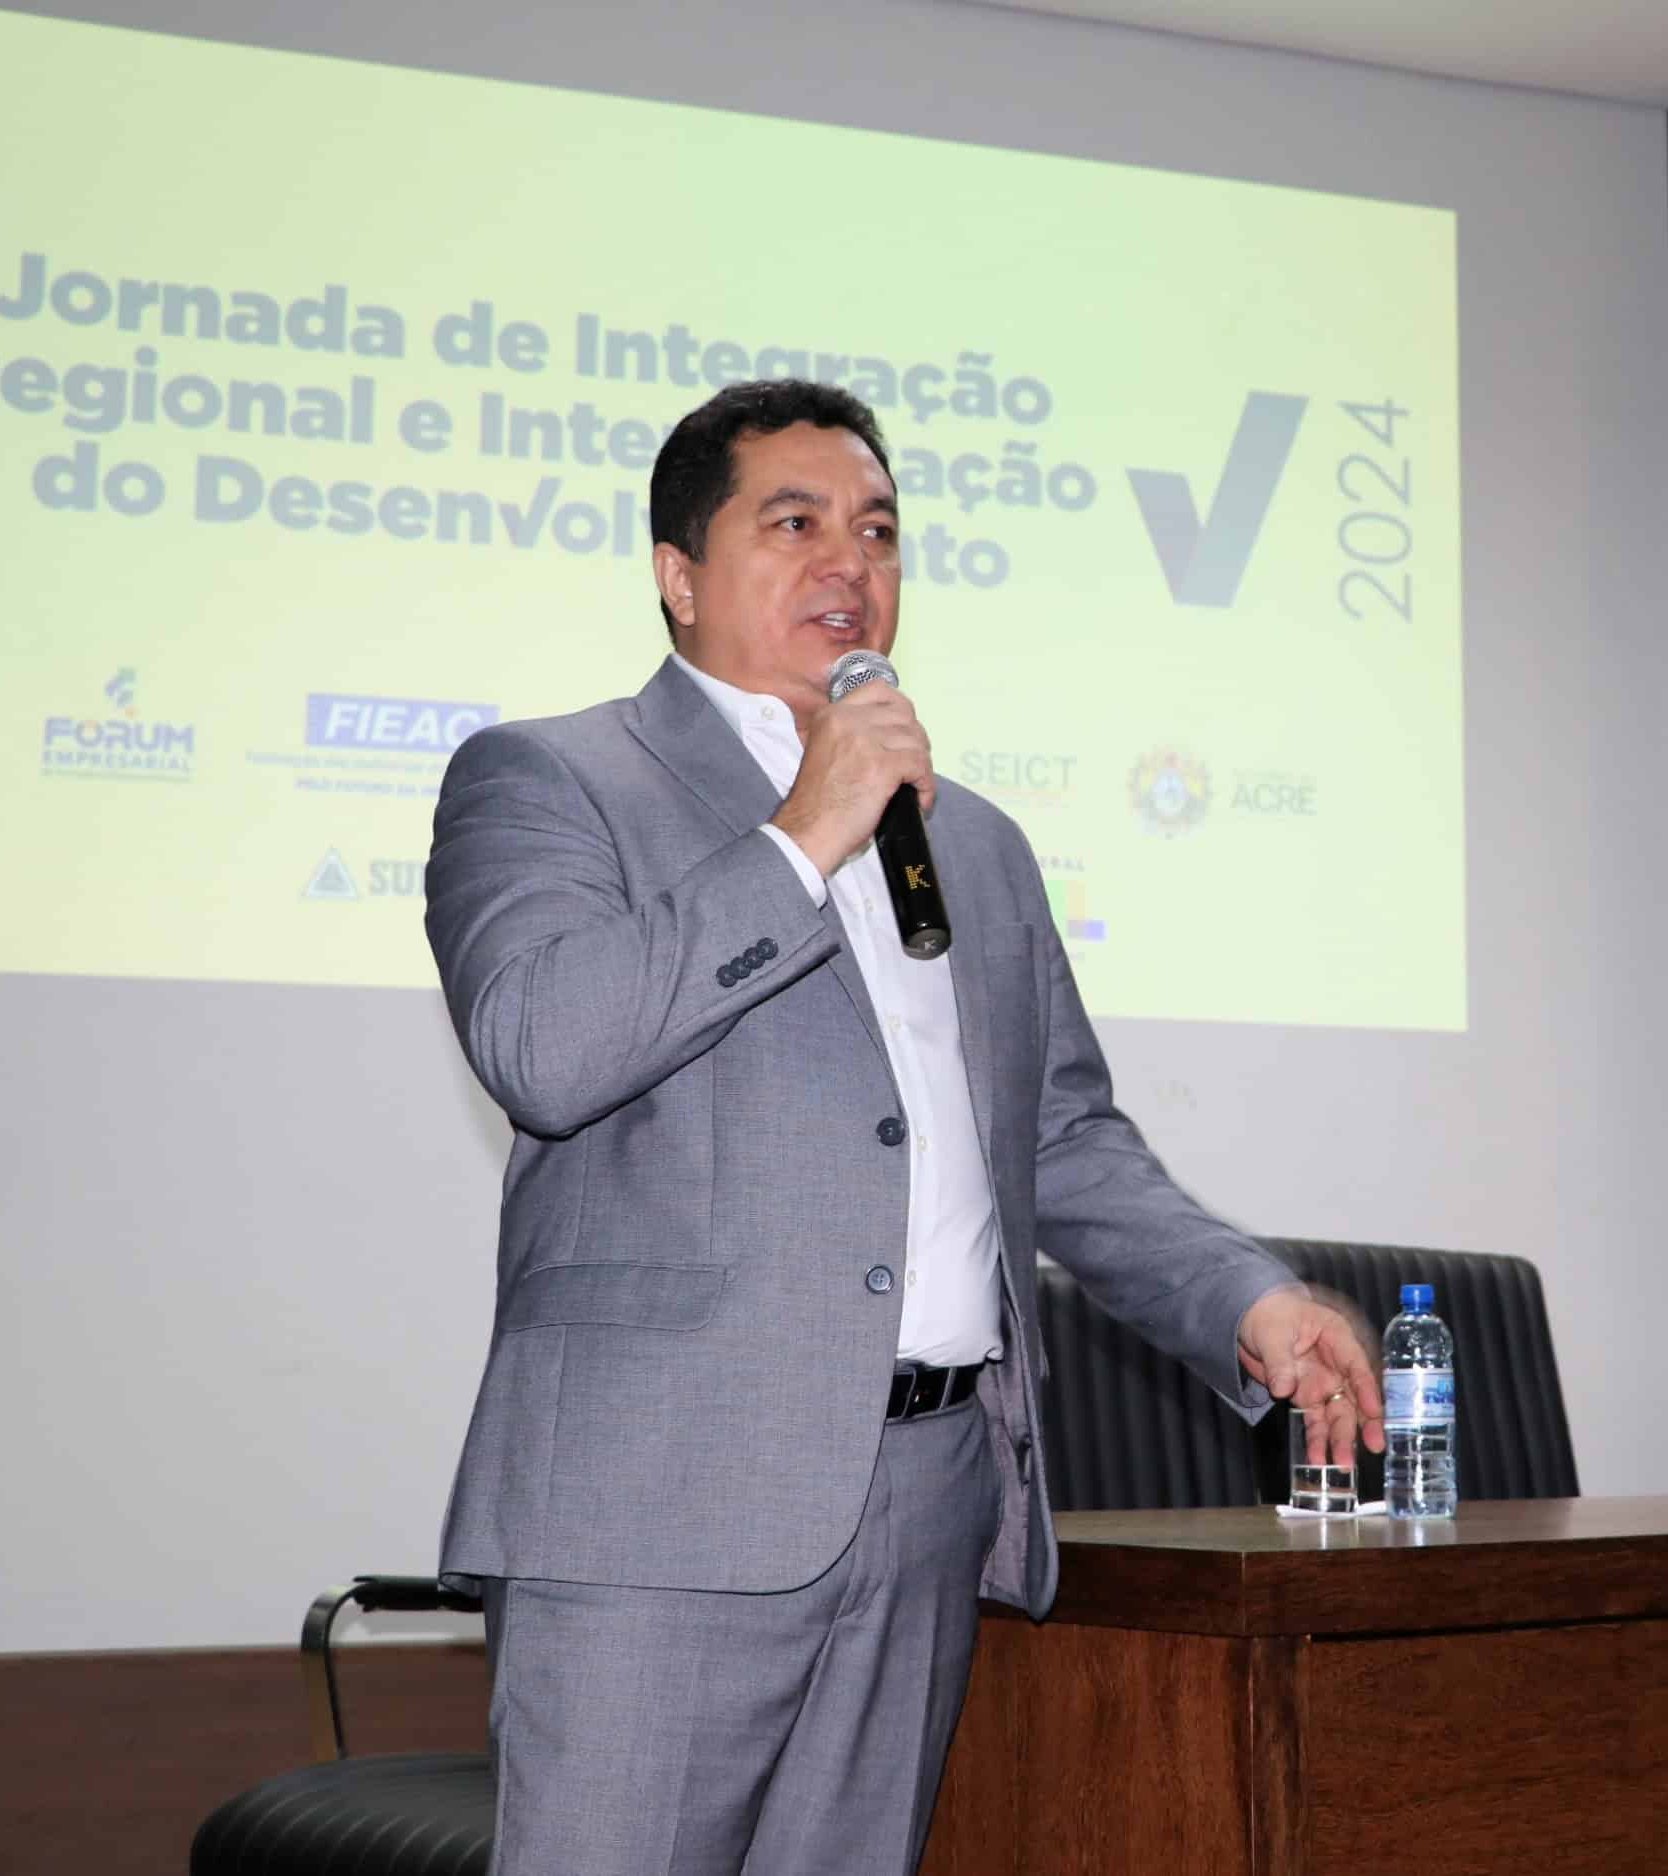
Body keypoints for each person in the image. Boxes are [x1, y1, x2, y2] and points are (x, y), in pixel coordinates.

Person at [423, 378, 1383, 1876]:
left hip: (929, 1498)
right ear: (679, 574)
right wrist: (809, 831)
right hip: (658, 1512)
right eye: (793, 523)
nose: (849, 563)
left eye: (877, 531)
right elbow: (543, 1049)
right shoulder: (552, 776)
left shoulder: (972, 844)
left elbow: (1059, 1140)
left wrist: (1245, 1297)